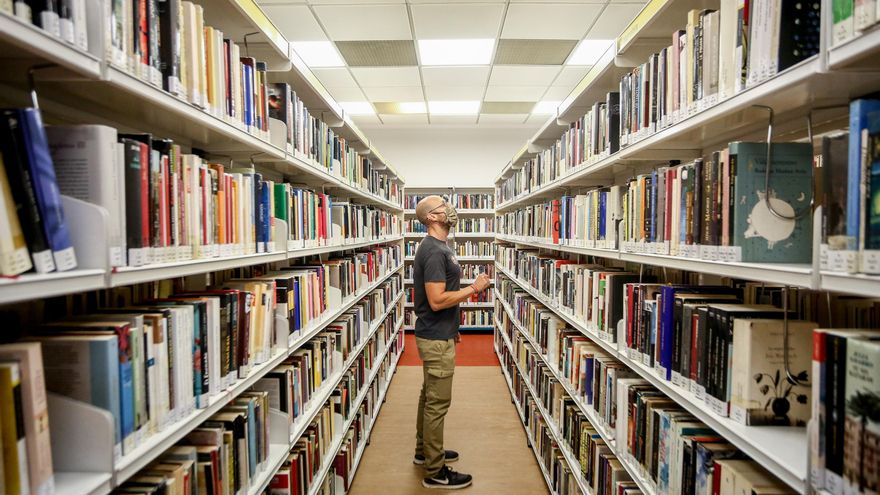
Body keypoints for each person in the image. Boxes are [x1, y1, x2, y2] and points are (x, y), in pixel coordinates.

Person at [412, 195, 491, 490]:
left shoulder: (441, 247)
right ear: (432, 217)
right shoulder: (433, 251)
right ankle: (435, 472)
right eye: (443, 206)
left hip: (438, 333)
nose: (450, 209)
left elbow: (442, 295)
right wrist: (474, 288)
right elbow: (436, 300)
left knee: (428, 396)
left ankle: (425, 452)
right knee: (438, 403)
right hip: (434, 338)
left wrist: (452, 325)